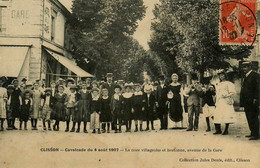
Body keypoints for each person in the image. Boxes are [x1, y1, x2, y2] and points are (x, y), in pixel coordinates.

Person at [240, 61, 259, 140]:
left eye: (245, 67)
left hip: (252, 101)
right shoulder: (245, 76)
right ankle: (252, 132)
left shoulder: (255, 75)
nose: (244, 69)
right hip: (246, 101)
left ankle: (256, 134)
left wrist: (256, 98)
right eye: (243, 67)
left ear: (249, 67)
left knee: (253, 117)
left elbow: (258, 88)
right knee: (249, 117)